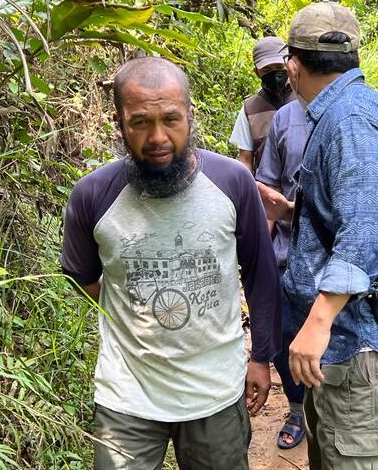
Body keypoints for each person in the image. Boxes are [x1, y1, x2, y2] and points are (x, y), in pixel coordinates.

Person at [60, 57, 280, 470]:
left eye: (171, 119)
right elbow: (83, 276)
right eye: (140, 122)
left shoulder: (233, 182)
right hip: (126, 398)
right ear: (119, 123)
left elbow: (260, 274)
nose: (157, 137)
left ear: (190, 117)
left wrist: (261, 357)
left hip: (215, 393)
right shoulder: (92, 195)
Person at [275, 1, 378, 469]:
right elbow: (355, 208)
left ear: (292, 67)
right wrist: (298, 211)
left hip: (358, 354)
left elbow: (364, 234)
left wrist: (316, 324)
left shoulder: (351, 121)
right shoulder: (343, 111)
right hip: (341, 358)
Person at [254, 99, 310, 450]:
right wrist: (259, 252)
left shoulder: (355, 116)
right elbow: (268, 189)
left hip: (333, 260)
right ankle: (297, 409)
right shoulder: (285, 119)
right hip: (285, 253)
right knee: (283, 338)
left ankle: (324, 410)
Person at [229, 36, 296, 173]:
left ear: (289, 63)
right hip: (266, 191)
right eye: (266, 70)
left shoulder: (305, 97)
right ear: (257, 72)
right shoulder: (250, 108)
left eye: (278, 67)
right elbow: (245, 159)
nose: (274, 74)